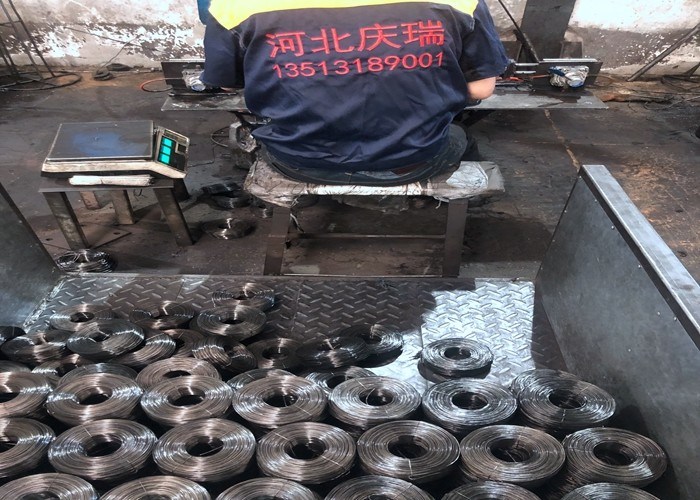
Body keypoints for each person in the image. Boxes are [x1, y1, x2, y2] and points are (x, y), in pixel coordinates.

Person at [201, 0, 508, 186]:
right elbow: (481, 88)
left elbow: (228, 83)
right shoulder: (461, 3)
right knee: (461, 138)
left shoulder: (233, 6)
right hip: (414, 159)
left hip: (297, 159)